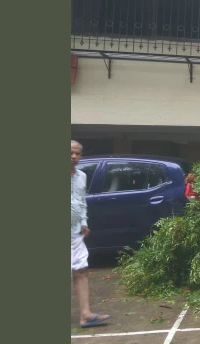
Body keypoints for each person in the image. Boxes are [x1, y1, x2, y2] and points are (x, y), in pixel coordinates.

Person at [71, 140, 111, 328]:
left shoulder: (81, 176)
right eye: (70, 153)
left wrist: (84, 222)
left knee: (81, 270)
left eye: (77, 154)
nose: (73, 157)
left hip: (75, 233)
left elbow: (82, 201)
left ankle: (85, 315)